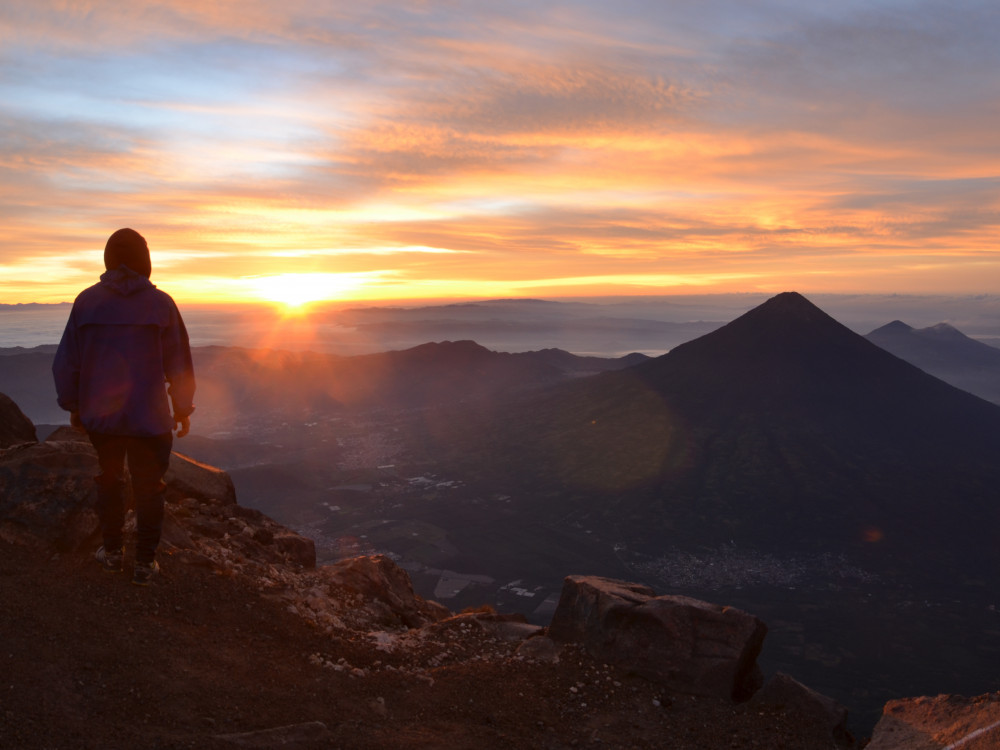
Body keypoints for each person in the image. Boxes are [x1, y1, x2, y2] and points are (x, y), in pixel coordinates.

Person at [53, 228, 195, 585]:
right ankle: (145, 563)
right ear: (145, 261)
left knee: (110, 480)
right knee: (150, 487)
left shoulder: (86, 302)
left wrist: (73, 406)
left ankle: (113, 552)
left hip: (103, 418)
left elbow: (66, 363)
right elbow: (179, 363)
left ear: (108, 258)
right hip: (151, 419)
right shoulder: (161, 304)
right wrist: (182, 408)